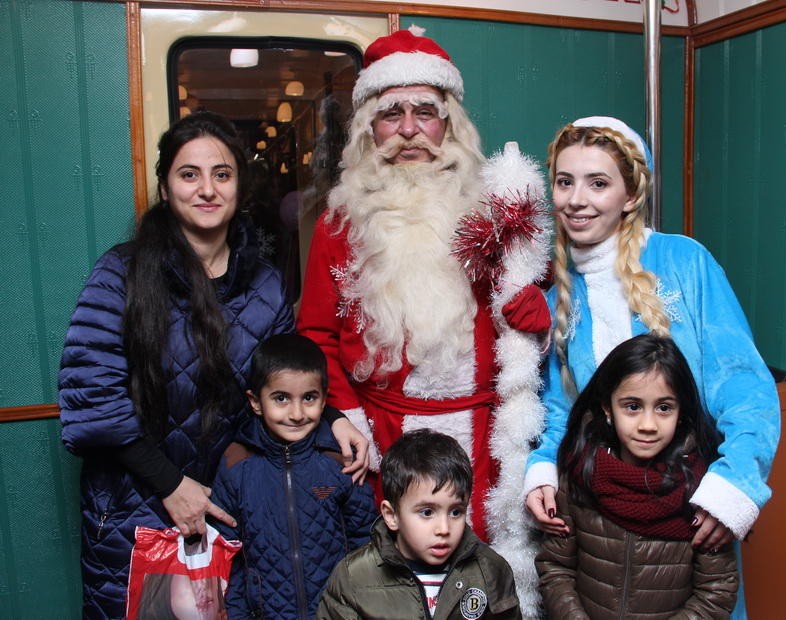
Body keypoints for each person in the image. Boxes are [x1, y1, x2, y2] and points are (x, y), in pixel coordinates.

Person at [58, 110, 368, 618]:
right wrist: (171, 487)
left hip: (231, 509)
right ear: (164, 186)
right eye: (189, 174)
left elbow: (277, 384)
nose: (207, 189)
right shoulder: (121, 273)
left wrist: (335, 420)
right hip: (135, 508)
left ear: (240, 188)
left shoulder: (265, 285)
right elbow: (91, 400)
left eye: (221, 174)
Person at [297, 28, 549, 542]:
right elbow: (317, 335)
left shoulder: (494, 210)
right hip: (382, 436)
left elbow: (528, 314)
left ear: (448, 125)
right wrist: (345, 417)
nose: (409, 131)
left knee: (481, 577)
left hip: (485, 436)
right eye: (392, 114)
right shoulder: (338, 227)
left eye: (425, 113)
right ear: (370, 129)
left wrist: (538, 317)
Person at [523, 117, 780, 617]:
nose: (577, 200)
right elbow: (559, 410)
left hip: (691, 503)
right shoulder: (556, 300)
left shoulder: (685, 262)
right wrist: (541, 472)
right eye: (564, 180)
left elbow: (743, 383)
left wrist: (735, 484)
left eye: (598, 183)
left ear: (630, 193)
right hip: (602, 514)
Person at [535, 334, 739, 618]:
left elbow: (716, 591)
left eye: (664, 408)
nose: (648, 425)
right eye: (632, 406)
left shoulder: (702, 489)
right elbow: (556, 567)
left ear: (680, 413)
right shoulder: (582, 472)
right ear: (608, 408)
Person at [209, 334, 377, 619]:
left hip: (336, 611)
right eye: (281, 398)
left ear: (324, 400)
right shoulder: (236, 463)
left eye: (309, 398)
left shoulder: (340, 459)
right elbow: (225, 553)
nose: (297, 413)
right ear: (256, 401)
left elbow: (366, 541)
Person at [316, 429, 522, 619]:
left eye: (456, 512)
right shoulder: (353, 577)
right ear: (391, 515)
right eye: (427, 512)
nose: (444, 529)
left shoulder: (491, 569)